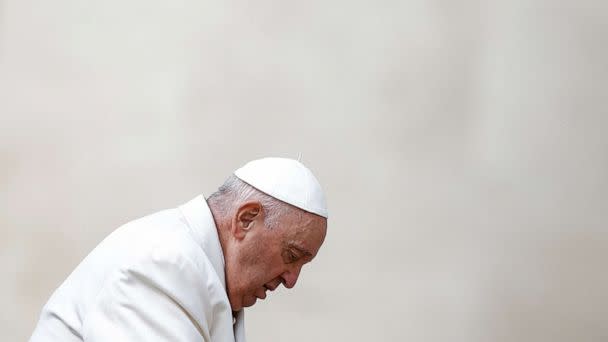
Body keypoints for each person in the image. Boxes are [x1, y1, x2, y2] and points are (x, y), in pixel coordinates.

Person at [29, 157, 328, 341]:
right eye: (291, 256)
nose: (291, 281)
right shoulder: (165, 265)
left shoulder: (195, 267)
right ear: (245, 219)